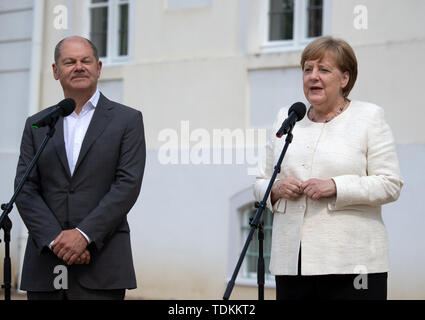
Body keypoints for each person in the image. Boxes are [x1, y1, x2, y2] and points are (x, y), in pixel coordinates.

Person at [254, 36, 403, 300]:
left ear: (344, 79)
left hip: (353, 265)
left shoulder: (368, 117)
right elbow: (260, 182)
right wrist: (275, 189)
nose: (313, 76)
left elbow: (389, 184)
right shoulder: (288, 119)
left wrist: (336, 186)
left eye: (323, 70)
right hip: (293, 264)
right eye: (307, 69)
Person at [14, 36, 146, 300]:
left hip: (102, 264)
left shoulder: (127, 120)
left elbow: (126, 185)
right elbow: (24, 187)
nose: (79, 67)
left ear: (98, 68)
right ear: (55, 71)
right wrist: (56, 241)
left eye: (85, 61)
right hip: (46, 267)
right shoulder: (37, 124)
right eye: (69, 62)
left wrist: (84, 236)